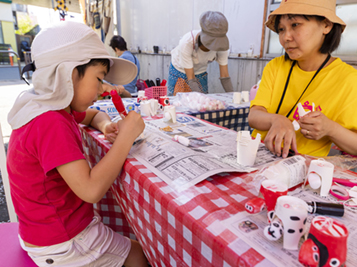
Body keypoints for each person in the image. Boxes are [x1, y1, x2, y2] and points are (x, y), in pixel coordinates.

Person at [7, 21, 147, 267]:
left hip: (41, 231)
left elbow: (93, 115)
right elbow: (91, 190)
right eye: (99, 78)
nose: (103, 89)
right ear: (70, 73)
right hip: (63, 242)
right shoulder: (50, 122)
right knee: (139, 254)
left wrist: (105, 126)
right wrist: (125, 138)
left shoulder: (48, 106)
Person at [248, 0, 357, 158]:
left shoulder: (348, 80)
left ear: (326, 25)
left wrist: (330, 129)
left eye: (295, 24)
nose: (285, 37)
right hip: (256, 154)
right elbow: (254, 116)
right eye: (281, 29)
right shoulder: (276, 66)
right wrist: (276, 120)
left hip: (300, 168)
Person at [167, 11, 234, 95]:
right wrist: (201, 98)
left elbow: (224, 75)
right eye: (211, 43)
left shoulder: (221, 46)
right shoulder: (187, 43)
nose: (214, 47)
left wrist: (233, 97)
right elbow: (191, 78)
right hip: (179, 69)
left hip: (200, 72)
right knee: (177, 103)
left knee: (202, 105)